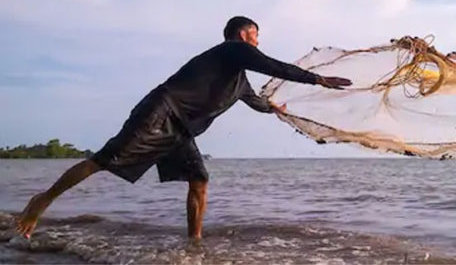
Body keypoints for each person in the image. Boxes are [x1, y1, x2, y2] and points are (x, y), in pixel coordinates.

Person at [15, 16, 351, 240]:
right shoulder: (232, 50)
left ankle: (194, 242)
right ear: (241, 34)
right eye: (255, 35)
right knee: (104, 160)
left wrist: (274, 108)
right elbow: (272, 65)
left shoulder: (239, 80)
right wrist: (317, 79)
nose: (258, 42)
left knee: (200, 181)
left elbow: (255, 101)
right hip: (160, 112)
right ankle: (41, 201)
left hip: (181, 130)